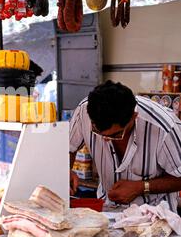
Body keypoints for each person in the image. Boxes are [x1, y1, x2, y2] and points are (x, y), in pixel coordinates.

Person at [70, 80, 181, 212]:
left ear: (134, 117)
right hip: (106, 210)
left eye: (115, 134)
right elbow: (67, 148)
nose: (105, 140)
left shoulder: (165, 128)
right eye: (98, 133)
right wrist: (66, 170)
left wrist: (142, 187)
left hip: (154, 217)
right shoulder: (84, 111)